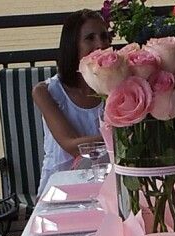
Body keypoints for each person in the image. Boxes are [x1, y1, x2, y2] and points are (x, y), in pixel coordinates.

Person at [33, 9, 110, 195]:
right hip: (60, 189)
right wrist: (125, 136)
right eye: (90, 38)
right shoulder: (46, 92)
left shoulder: (113, 87)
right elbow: (71, 145)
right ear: (72, 45)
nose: (100, 44)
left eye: (104, 36)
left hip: (105, 186)